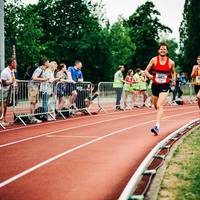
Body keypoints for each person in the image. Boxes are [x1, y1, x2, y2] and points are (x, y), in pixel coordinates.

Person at [145, 42, 176, 135]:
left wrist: (174, 80)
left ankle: (157, 126)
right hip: (155, 85)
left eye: (164, 49)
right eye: (161, 49)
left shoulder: (171, 62)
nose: (163, 50)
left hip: (165, 86)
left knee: (159, 105)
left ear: (167, 51)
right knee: (155, 106)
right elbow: (146, 70)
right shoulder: (154, 60)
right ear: (159, 50)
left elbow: (174, 72)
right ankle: (160, 111)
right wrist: (149, 75)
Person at [28, 57, 49, 123]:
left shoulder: (42, 70)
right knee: (33, 102)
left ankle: (33, 116)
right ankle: (32, 117)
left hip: (36, 87)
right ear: (44, 63)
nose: (49, 63)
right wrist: (44, 79)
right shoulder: (39, 69)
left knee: (35, 102)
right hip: (32, 87)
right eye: (48, 62)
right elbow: (34, 77)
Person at [0, 57, 17, 126]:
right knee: (2, 105)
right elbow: (3, 83)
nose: (16, 64)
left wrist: (15, 83)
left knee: (5, 105)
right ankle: (1, 120)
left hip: (8, 90)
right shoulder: (5, 72)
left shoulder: (12, 71)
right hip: (2, 90)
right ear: (11, 63)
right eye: (15, 63)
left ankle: (3, 119)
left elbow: (12, 80)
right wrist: (11, 82)